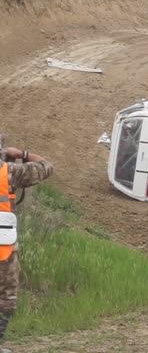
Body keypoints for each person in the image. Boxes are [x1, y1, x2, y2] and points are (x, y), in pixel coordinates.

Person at [0, 134, 53, 350]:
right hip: (2, 249)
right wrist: (21, 154)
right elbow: (46, 166)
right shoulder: (9, 172)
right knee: (6, 297)